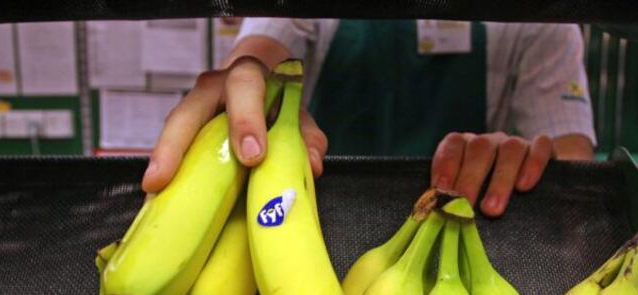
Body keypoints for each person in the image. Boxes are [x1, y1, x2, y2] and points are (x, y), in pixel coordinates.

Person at [143, 19, 596, 217]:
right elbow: (260, 51)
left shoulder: (537, 18)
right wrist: (245, 76)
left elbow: (574, 167)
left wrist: (523, 161)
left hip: (466, 224)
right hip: (311, 222)